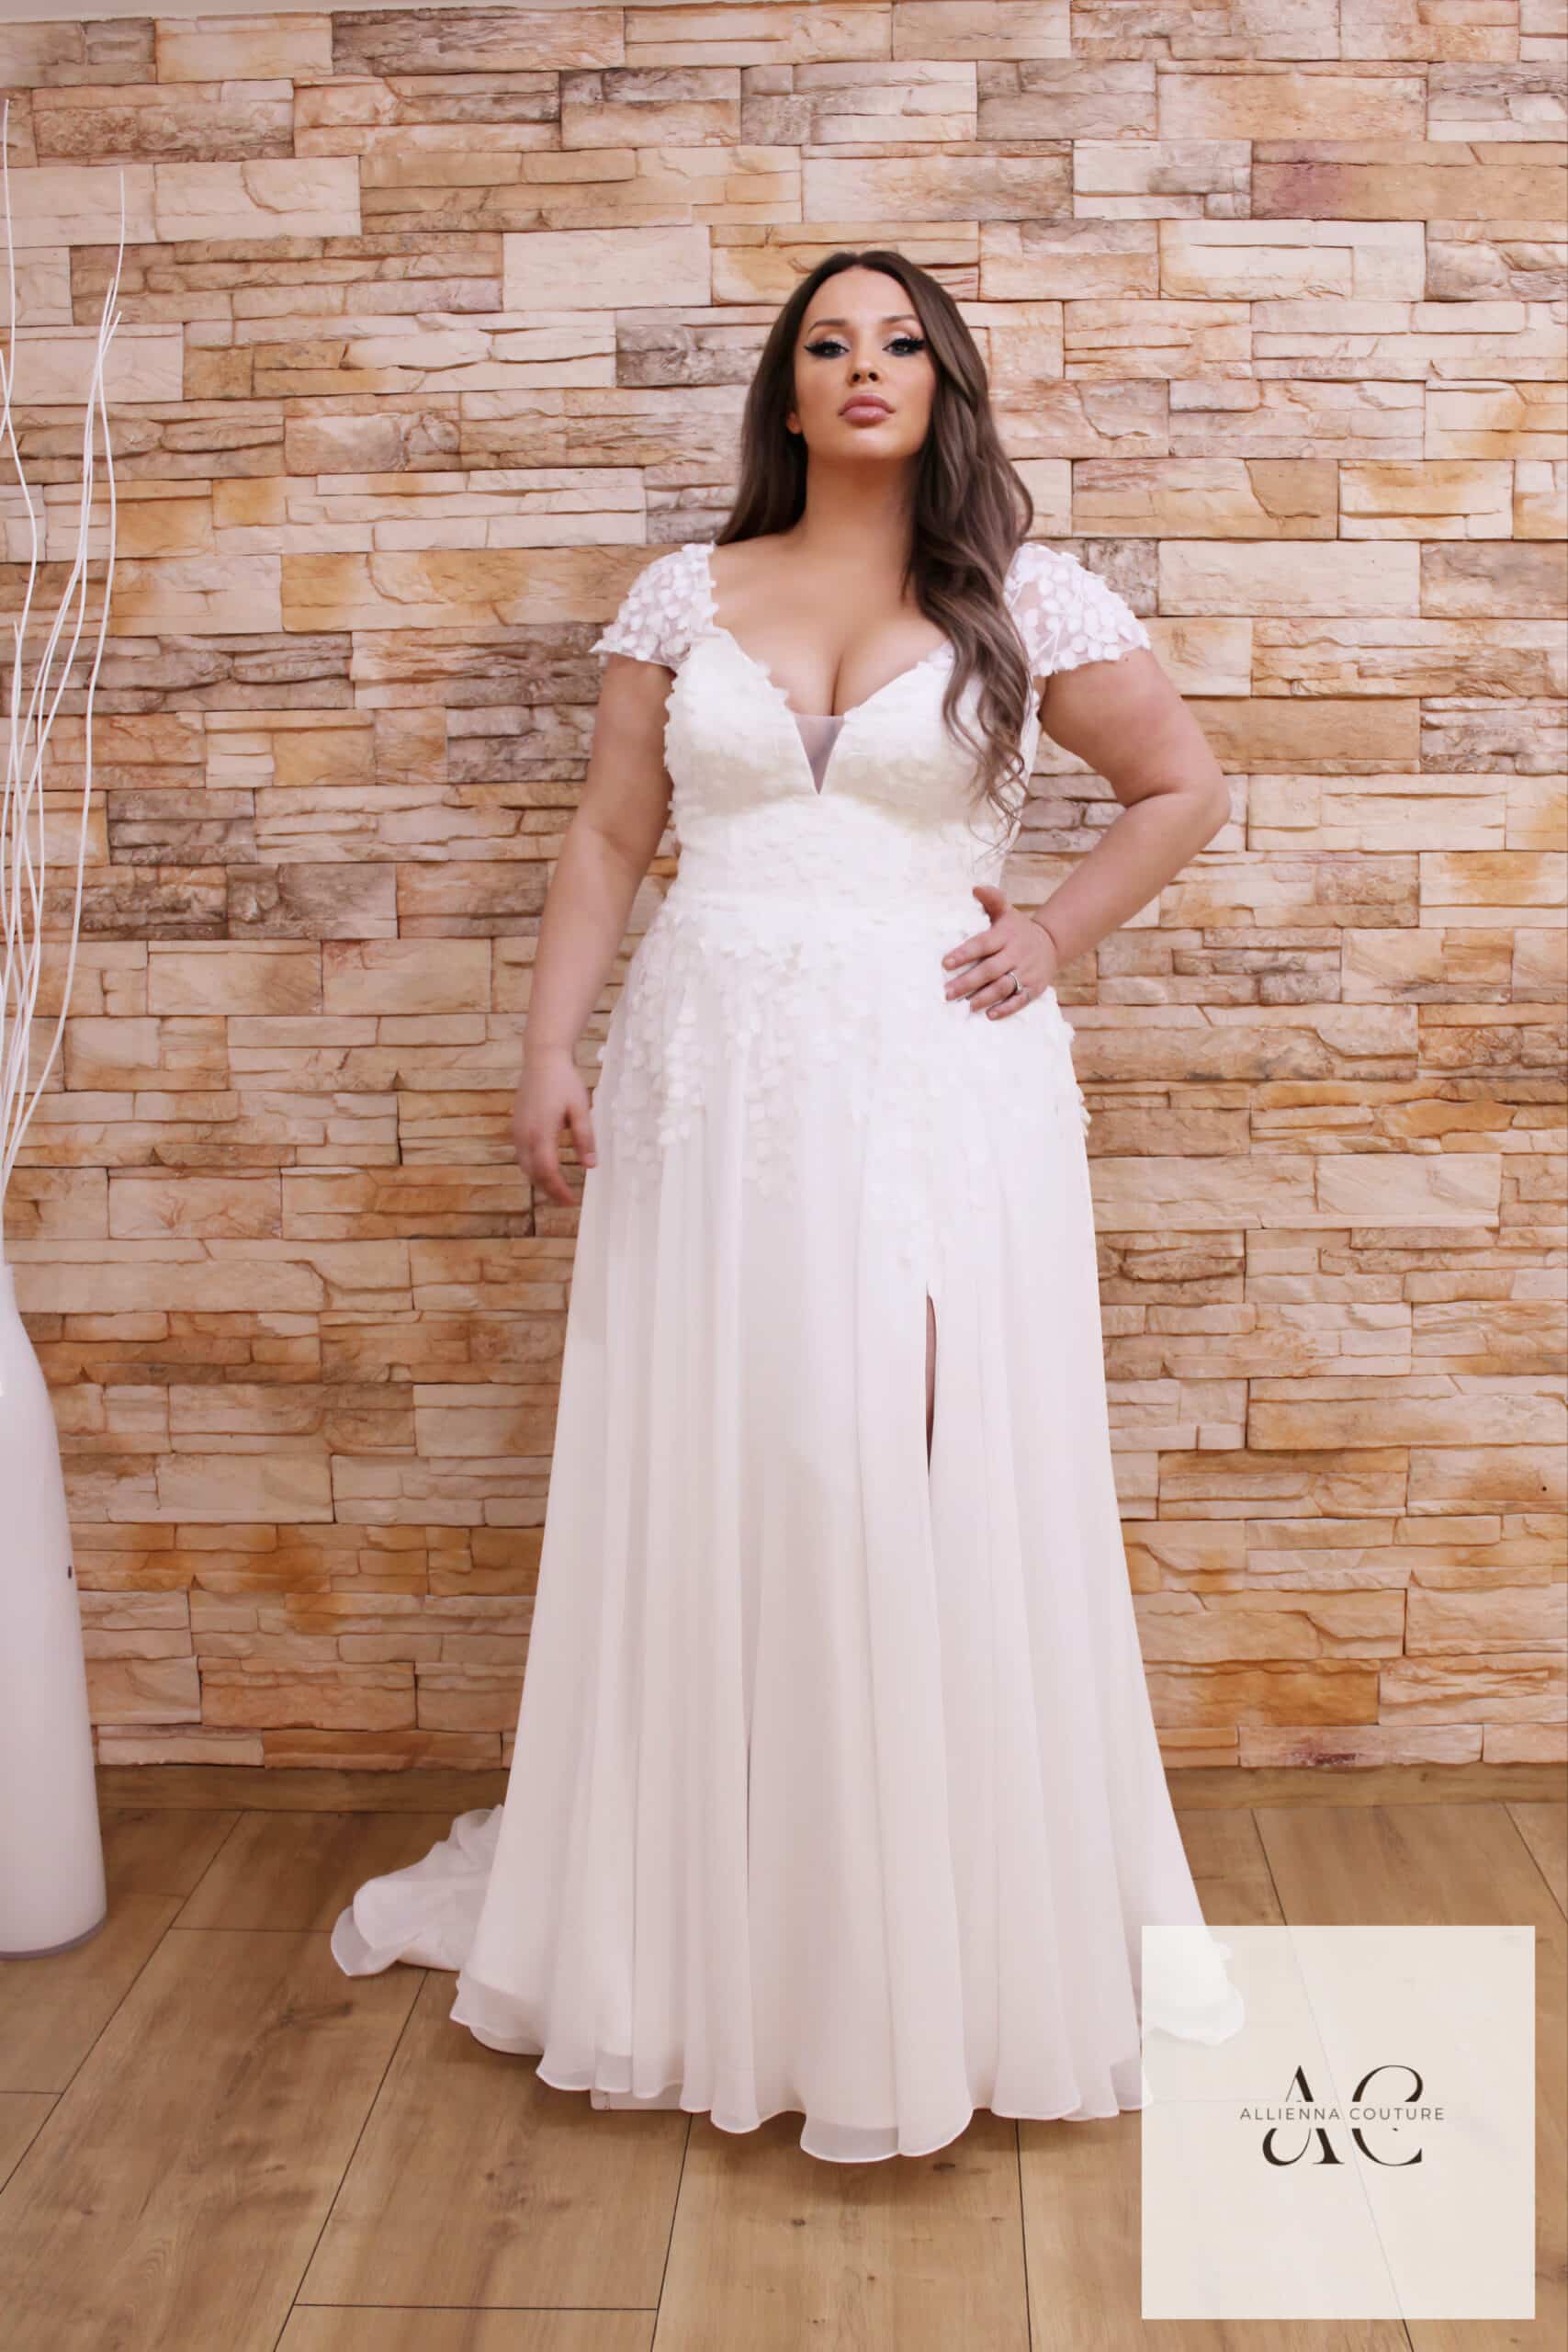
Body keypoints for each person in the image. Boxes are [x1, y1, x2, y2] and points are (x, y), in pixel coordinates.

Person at [332, 247, 1243, 2164]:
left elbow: (1179, 783)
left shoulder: (1022, 596)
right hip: (713, 1084)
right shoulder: (689, 592)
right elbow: (610, 833)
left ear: (943, 384)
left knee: (894, 1462)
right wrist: (548, 1046)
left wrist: (1052, 933)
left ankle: (936, 1941)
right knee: (735, 1466)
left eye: (899, 342)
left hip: (935, 1088)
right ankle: (724, 1942)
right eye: (827, 343)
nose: (862, 366)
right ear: (788, 388)